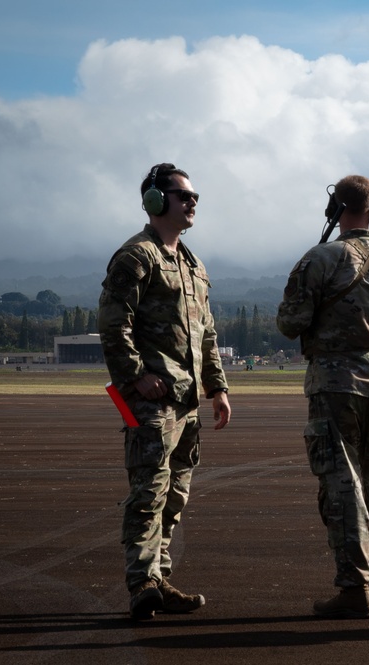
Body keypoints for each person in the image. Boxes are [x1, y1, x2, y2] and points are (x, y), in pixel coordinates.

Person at [276, 175, 369, 619]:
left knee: (343, 486)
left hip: (334, 383)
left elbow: (290, 322)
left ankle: (353, 588)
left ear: (335, 209)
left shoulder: (320, 258)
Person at [98, 162, 231, 620]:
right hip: (148, 401)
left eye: (194, 196)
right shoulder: (136, 257)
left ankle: (160, 576)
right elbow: (114, 325)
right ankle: (141, 585)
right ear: (156, 201)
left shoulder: (192, 263)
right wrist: (135, 376)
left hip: (186, 401)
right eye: (182, 195)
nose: (192, 202)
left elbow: (206, 333)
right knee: (148, 491)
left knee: (175, 494)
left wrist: (218, 387)